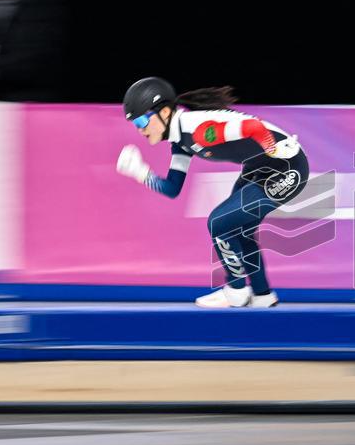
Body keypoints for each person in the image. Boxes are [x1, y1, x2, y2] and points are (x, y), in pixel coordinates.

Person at [116, 77, 307, 308]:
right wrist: (141, 173)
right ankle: (263, 295)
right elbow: (172, 188)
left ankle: (235, 290)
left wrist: (272, 148)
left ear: (165, 112)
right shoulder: (180, 141)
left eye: (142, 121)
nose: (140, 130)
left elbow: (253, 127)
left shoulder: (198, 131)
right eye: (135, 124)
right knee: (239, 229)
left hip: (287, 167)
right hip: (260, 167)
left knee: (220, 222)